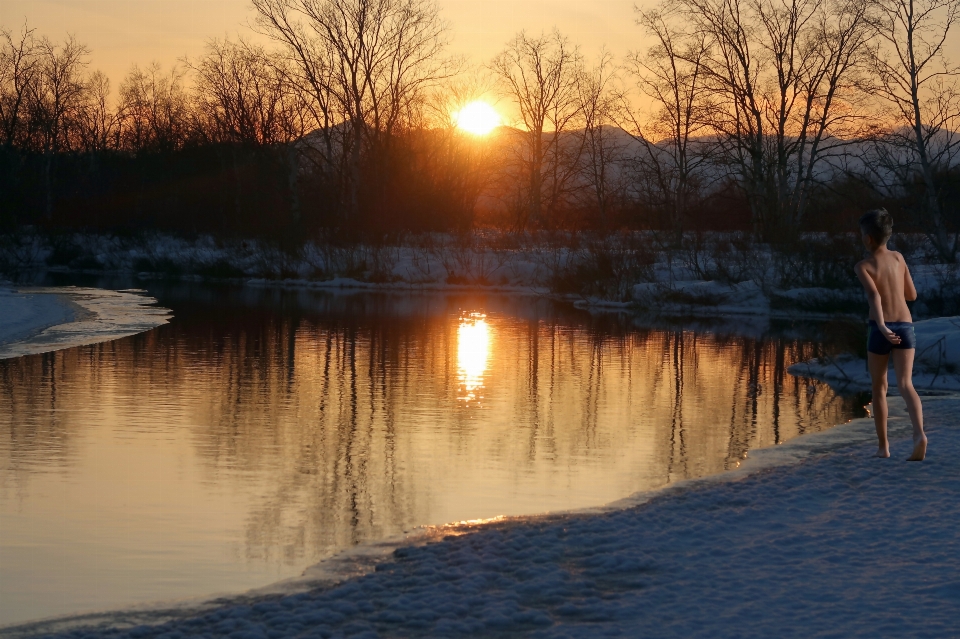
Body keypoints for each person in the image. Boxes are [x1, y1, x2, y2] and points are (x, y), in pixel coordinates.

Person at [854, 209, 926, 461]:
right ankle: (919, 435)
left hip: (879, 328)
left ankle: (883, 448)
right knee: (906, 384)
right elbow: (912, 296)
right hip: (906, 325)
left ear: (867, 238)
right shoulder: (898, 258)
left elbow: (874, 296)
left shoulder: (863, 265)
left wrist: (883, 327)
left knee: (879, 387)